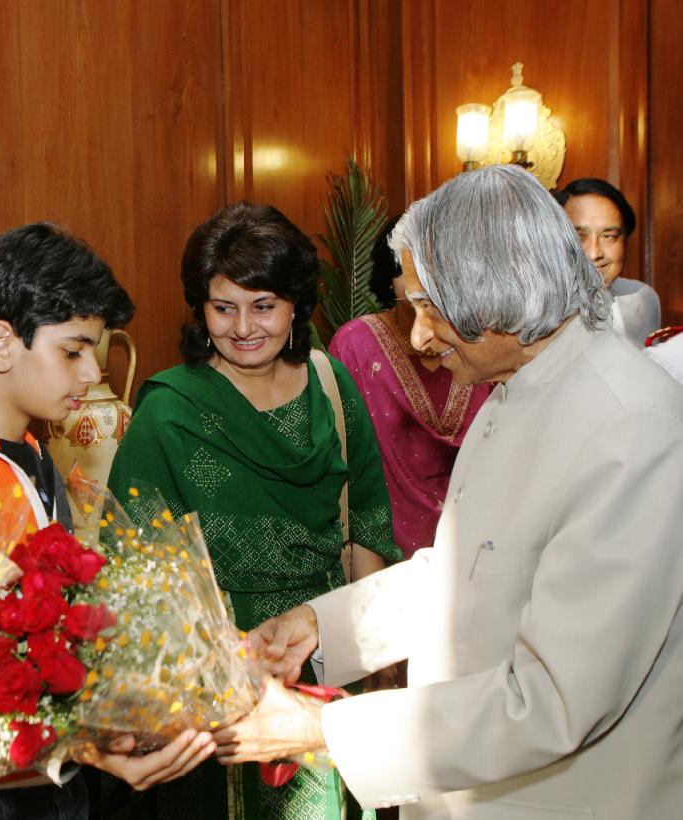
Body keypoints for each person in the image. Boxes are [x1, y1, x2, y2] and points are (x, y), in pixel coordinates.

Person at [220, 165, 683, 818]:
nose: (418, 337)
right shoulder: (520, 387)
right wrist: (322, 630)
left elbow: (553, 703)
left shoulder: (631, 427)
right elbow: (470, 574)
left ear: (504, 292)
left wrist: (323, 728)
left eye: (433, 310)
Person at [0, 224, 215, 820]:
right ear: (2, 345)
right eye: (72, 351)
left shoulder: (38, 457)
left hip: (48, 778)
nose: (91, 373)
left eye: (94, 351)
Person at [106, 202, 400, 819]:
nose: (243, 327)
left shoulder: (331, 386)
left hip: (324, 652)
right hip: (212, 679)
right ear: (201, 308)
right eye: (224, 307)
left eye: (263, 306)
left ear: (295, 305)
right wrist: (206, 668)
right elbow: (134, 568)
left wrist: (368, 652)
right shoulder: (169, 410)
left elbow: (368, 525)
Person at [328, 221, 492, 557]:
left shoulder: (488, 345)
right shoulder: (354, 345)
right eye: (410, 269)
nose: (425, 283)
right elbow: (337, 457)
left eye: (437, 270)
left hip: (480, 541)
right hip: (377, 545)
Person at [555, 177, 661, 346]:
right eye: (578, 237)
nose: (594, 253)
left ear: (625, 241)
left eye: (608, 236)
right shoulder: (526, 312)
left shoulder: (643, 298)